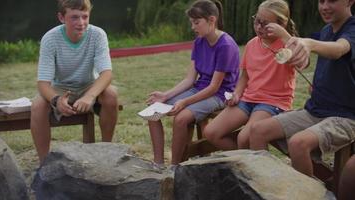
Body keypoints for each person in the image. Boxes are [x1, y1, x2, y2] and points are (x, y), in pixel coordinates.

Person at [249, 0, 355, 178]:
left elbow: (339, 49)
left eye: (332, 1)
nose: (325, 7)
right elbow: (321, 65)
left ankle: (307, 193)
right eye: (321, 1)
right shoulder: (326, 31)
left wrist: (309, 44)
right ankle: (263, 186)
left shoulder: (352, 29)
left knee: (298, 143)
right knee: (257, 131)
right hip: (315, 110)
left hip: (346, 116)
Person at [146, 0, 239, 168]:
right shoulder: (199, 41)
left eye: (197, 23)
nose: (193, 27)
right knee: (153, 112)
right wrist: (166, 95)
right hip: (199, 88)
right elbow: (190, 79)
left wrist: (184, 102)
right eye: (191, 23)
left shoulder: (226, 45)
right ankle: (158, 163)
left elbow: (214, 88)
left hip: (219, 95)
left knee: (181, 119)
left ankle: (174, 167)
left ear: (212, 20)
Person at [31, 0, 118, 163]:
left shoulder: (98, 34)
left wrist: (89, 96)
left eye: (85, 17)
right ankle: (44, 163)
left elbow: (106, 74)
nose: (81, 23)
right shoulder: (50, 39)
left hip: (88, 85)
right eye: (74, 17)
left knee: (111, 94)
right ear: (61, 18)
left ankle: (107, 152)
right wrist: (56, 100)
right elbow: (43, 83)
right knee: (37, 105)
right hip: (61, 88)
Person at [203, 0, 297, 150]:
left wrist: (285, 36)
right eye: (257, 21)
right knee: (211, 132)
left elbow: (303, 64)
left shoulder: (289, 45)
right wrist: (237, 94)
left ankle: (253, 167)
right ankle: (243, 162)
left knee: (244, 138)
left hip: (273, 103)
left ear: (281, 25)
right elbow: (245, 76)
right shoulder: (252, 44)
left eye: (265, 24)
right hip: (248, 99)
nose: (259, 27)